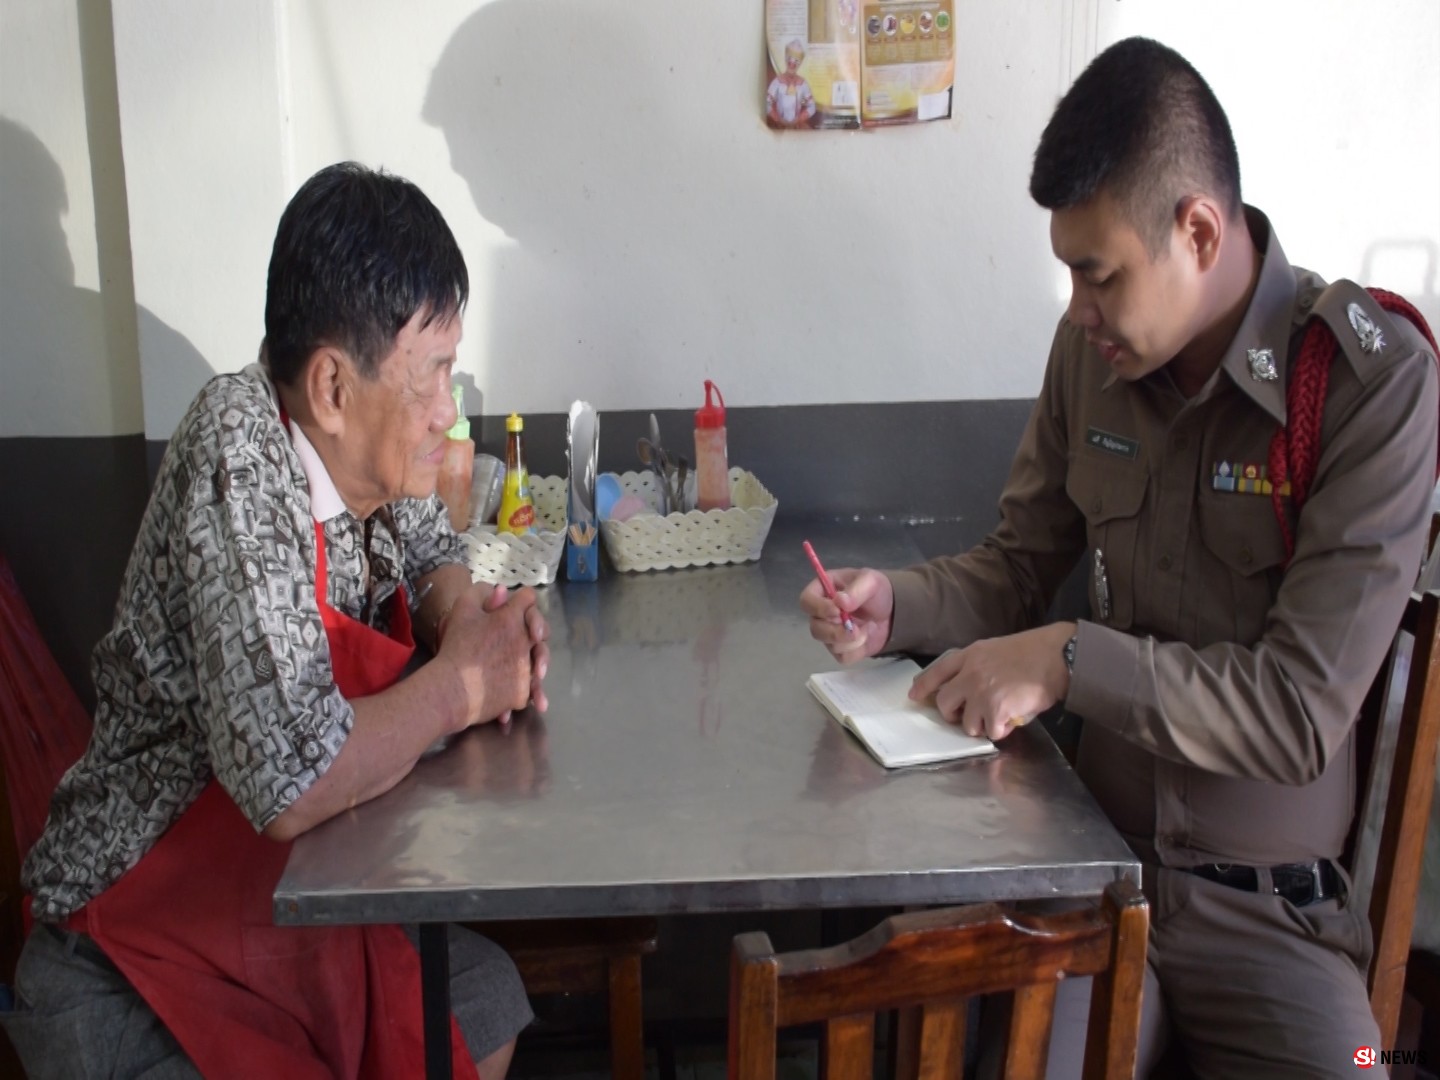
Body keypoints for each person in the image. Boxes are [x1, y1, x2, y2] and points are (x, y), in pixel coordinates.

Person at [800, 37, 1439, 1080]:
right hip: (1089, 882)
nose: (1076, 311)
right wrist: (897, 607)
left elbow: (1297, 713)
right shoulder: (1091, 359)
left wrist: (1067, 658)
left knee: (1355, 1068)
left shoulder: (1369, 385)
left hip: (1274, 921)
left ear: (1196, 229)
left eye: (1097, 276)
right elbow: (1015, 563)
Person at [2, 162, 550, 1079]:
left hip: (281, 905)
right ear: (334, 386)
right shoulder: (239, 445)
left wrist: (473, 626)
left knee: (482, 1003)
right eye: (435, 377)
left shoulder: (368, 450)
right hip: (136, 946)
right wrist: (464, 687)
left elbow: (428, 554)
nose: (448, 413)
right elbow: (291, 778)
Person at [766, 39, 818, 129]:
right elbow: (766, 104)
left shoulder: (803, 84)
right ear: (786, 59)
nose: (792, 64)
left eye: (796, 61)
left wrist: (799, 119)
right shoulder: (777, 82)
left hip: (797, 128)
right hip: (779, 127)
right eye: (789, 60)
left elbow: (812, 106)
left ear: (800, 63)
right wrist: (778, 119)